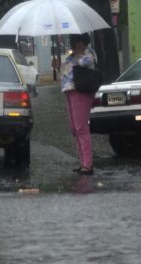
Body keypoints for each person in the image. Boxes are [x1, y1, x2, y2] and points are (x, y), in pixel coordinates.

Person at [61, 33, 97, 175]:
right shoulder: (71, 56)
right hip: (69, 91)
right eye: (76, 41)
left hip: (81, 92)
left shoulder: (89, 53)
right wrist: (60, 65)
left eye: (80, 41)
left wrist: (79, 54)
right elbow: (65, 72)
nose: (78, 44)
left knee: (81, 128)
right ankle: (83, 162)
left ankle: (87, 164)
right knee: (74, 129)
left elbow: (84, 63)